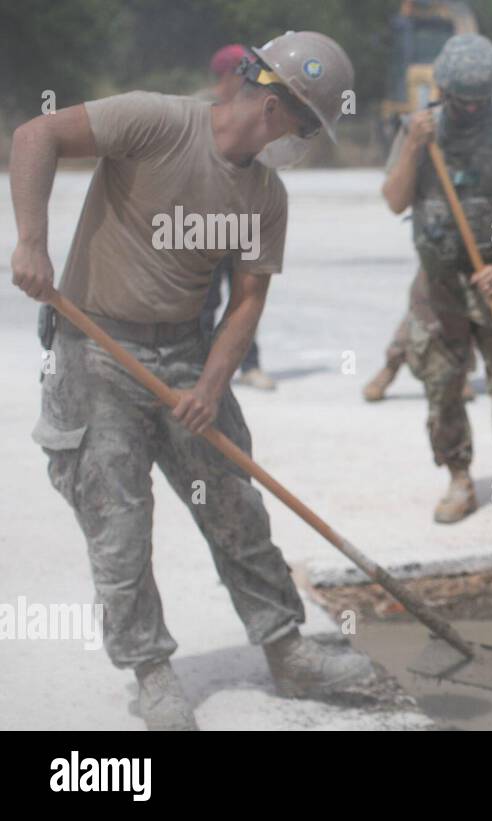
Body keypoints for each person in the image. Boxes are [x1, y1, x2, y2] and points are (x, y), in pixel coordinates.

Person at [9, 31, 374, 730]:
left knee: (233, 501)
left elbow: (247, 301)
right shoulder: (156, 120)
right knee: (119, 524)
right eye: (308, 126)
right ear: (279, 109)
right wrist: (30, 239)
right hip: (95, 349)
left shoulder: (266, 194)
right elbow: (36, 134)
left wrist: (210, 384)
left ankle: (286, 646)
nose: (303, 141)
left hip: (184, 353)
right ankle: (150, 672)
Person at [379, 33, 492, 526]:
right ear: (444, 91)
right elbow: (394, 199)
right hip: (439, 286)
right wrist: (414, 144)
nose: (473, 110)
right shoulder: (420, 130)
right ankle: (458, 478)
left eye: (482, 101)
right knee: (442, 383)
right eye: (463, 101)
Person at [199, 44, 276, 391]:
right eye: (246, 76)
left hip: (245, 219)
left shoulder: (257, 109)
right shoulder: (201, 108)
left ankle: (250, 365)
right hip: (203, 222)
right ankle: (199, 367)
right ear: (230, 75)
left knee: (247, 296)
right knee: (204, 300)